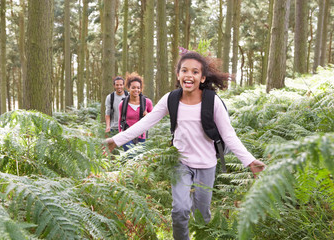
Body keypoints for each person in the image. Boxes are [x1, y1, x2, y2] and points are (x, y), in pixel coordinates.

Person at [105, 51, 265, 239]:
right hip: (180, 162)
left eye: (195, 72)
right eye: (184, 70)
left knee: (202, 216)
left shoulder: (213, 102)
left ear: (202, 77)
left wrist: (250, 161)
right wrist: (116, 140)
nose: (189, 75)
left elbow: (229, 135)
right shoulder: (170, 99)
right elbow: (145, 123)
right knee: (179, 211)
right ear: (178, 75)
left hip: (207, 164)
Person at [118, 72, 153, 151]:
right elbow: (120, 120)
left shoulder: (147, 102)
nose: (136, 90)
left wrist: (147, 115)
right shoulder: (122, 104)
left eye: (138, 87)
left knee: (138, 159)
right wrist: (120, 136)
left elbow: (153, 118)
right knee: (131, 155)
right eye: (133, 87)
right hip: (126, 135)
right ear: (128, 88)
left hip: (141, 136)